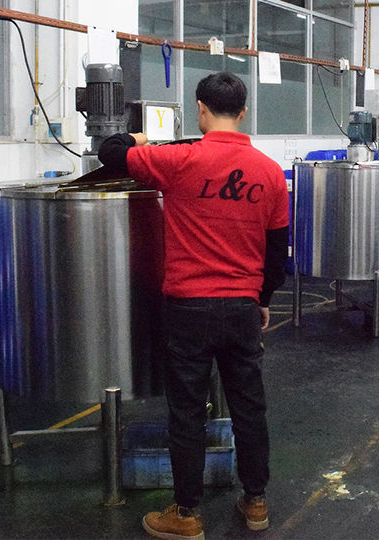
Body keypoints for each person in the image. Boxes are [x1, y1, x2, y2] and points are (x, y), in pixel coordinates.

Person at [99, 71, 288, 540]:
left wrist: (140, 137)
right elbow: (276, 254)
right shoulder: (269, 172)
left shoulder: (177, 160)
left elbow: (109, 152)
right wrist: (263, 300)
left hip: (187, 307)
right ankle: (256, 502)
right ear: (243, 112)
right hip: (242, 308)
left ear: (201, 109)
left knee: (186, 412)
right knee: (249, 408)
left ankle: (186, 515)